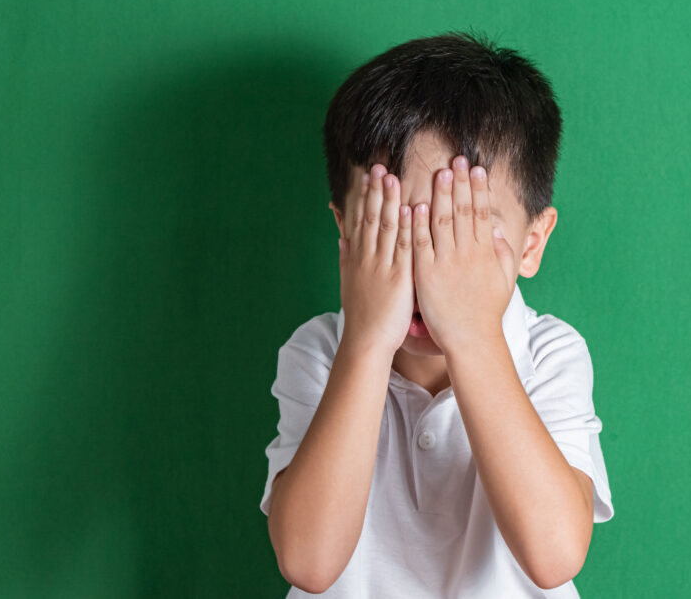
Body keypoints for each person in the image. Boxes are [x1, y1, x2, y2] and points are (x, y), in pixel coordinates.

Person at [259, 31, 614, 598]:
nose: (429, 266)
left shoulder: (550, 353)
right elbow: (308, 562)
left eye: (461, 233)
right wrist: (367, 343)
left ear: (531, 244)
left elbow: (554, 557)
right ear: (347, 233)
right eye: (394, 230)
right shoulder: (320, 351)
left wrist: (473, 337)